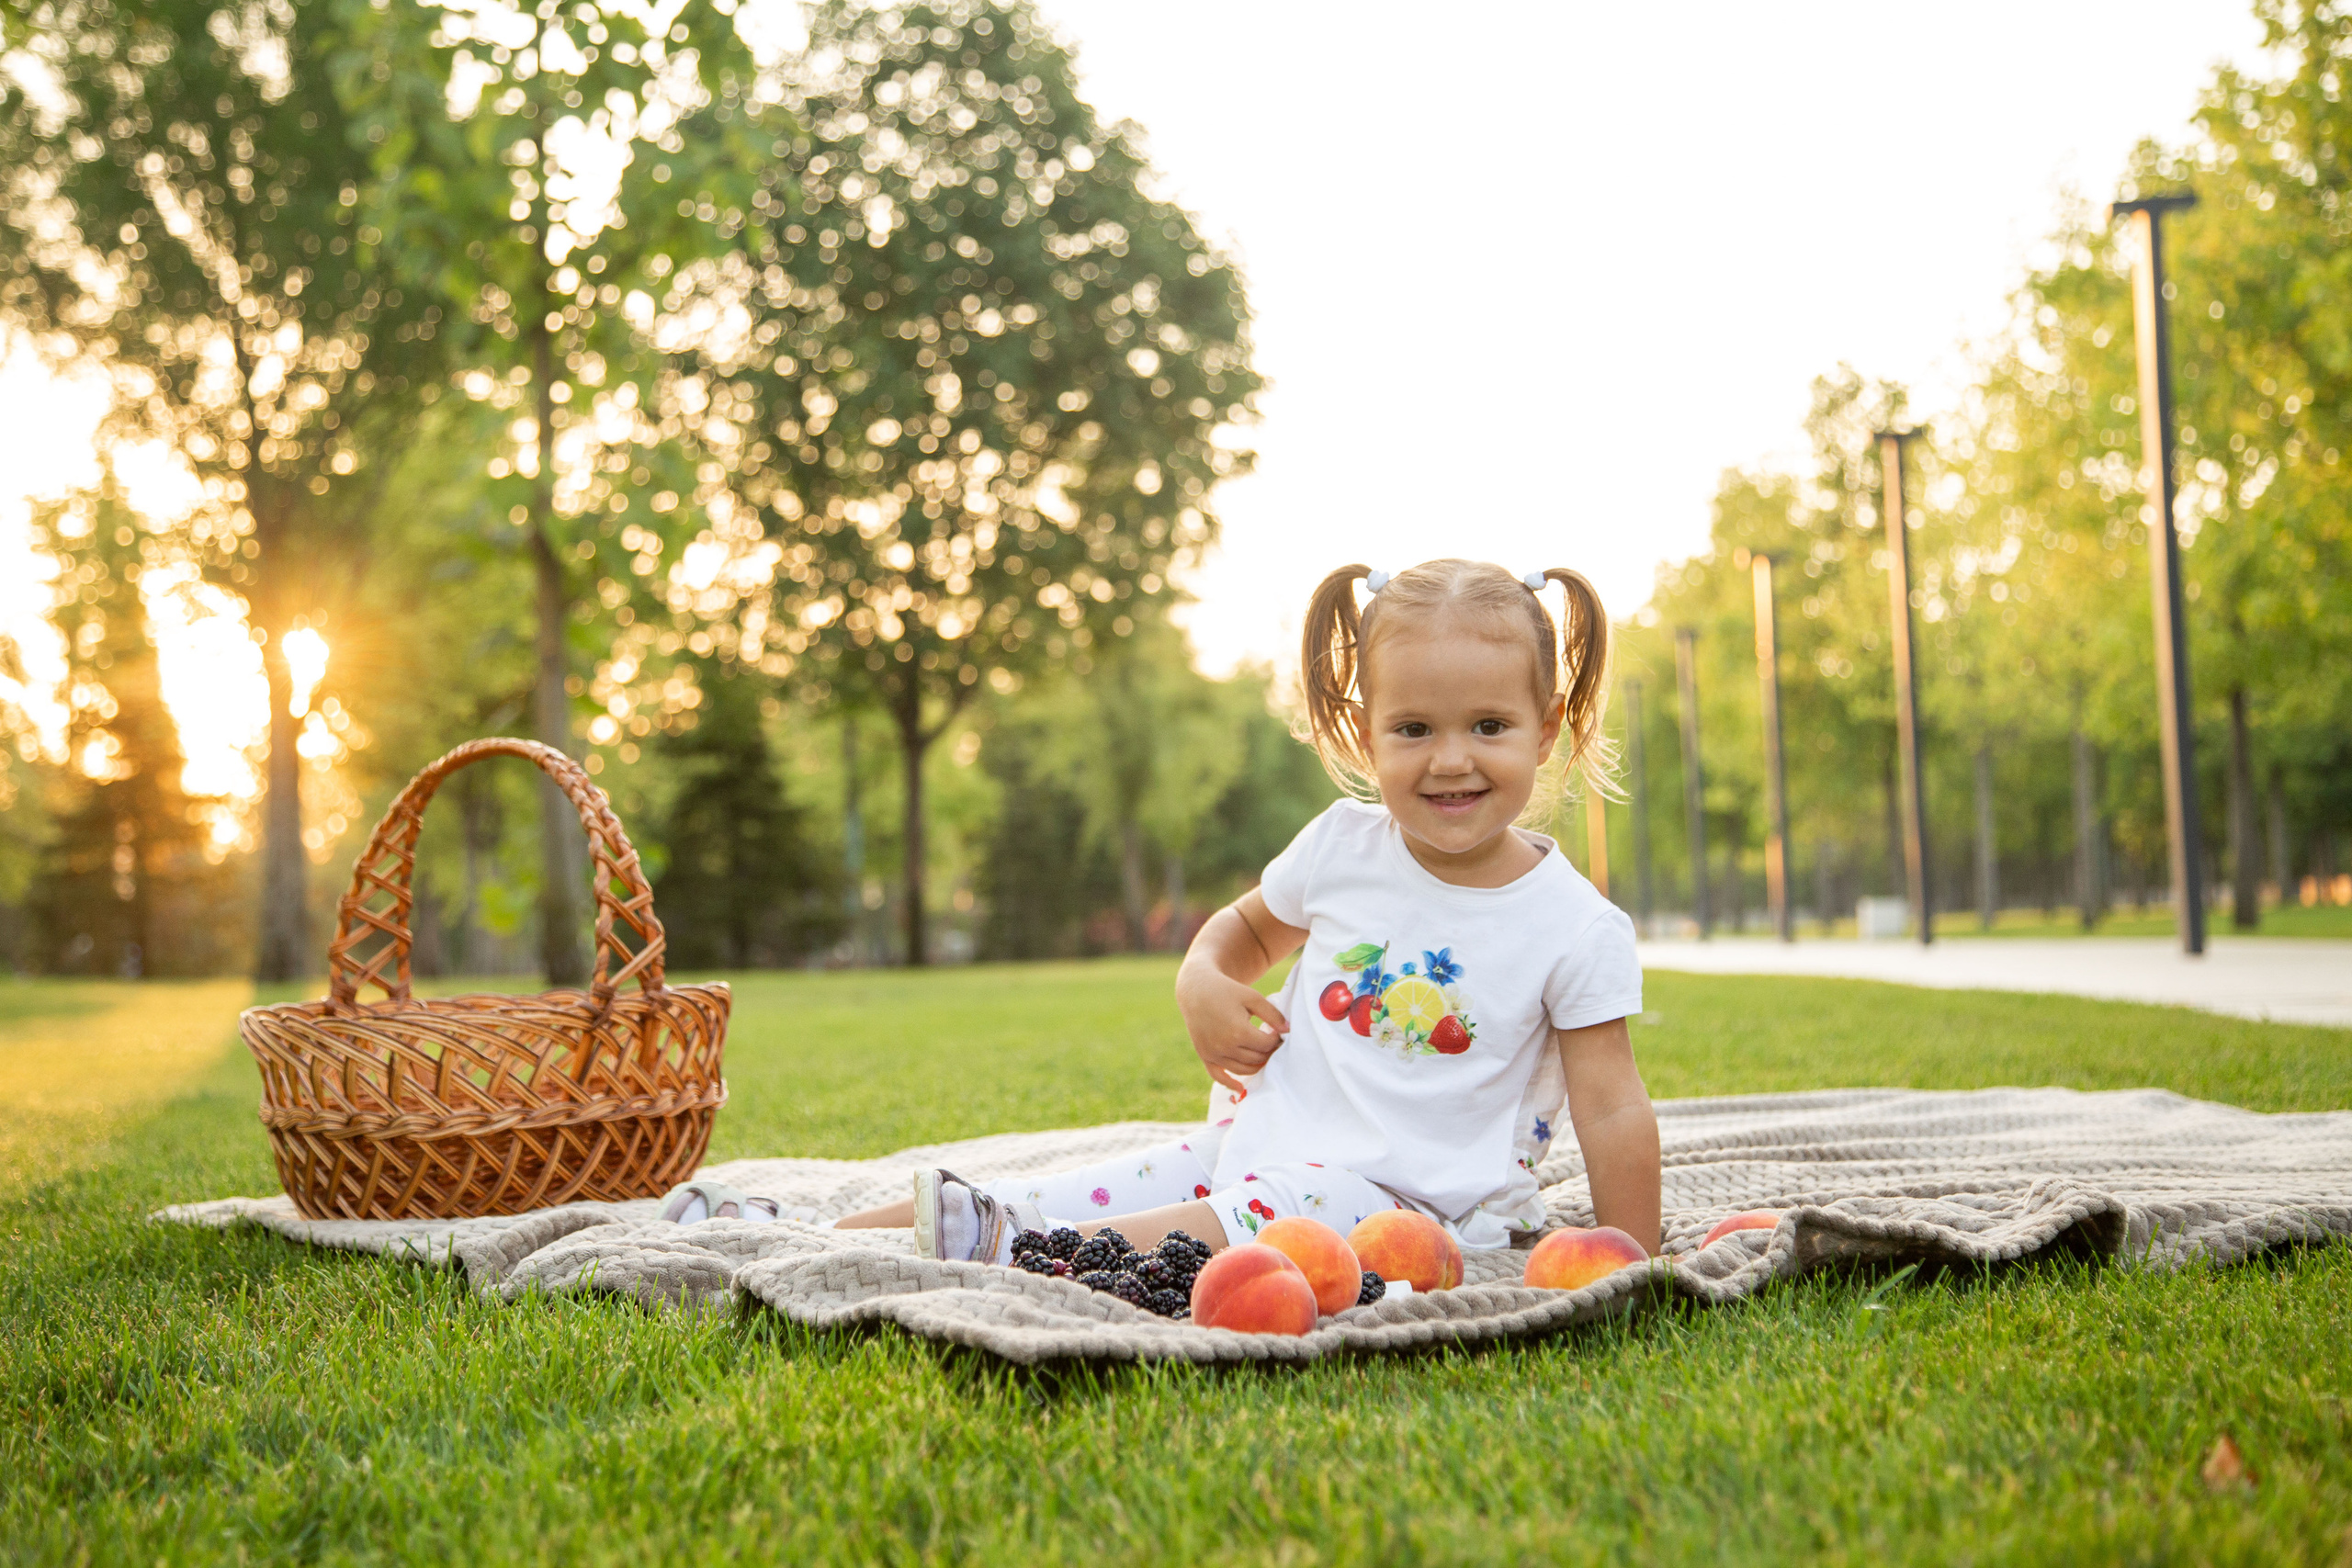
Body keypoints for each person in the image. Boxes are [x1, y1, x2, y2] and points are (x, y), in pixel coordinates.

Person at [694, 558, 1661, 1269]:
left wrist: (1637, 1255)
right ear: (1360, 735)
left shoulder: (1572, 929)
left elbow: (1610, 1106)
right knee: (1083, 1184)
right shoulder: (1340, 847)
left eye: (1487, 727)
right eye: (1412, 730)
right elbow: (1239, 935)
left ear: (1550, 727)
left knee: (1269, 1211)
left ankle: (1023, 1254)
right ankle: (794, 1239)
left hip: (1410, 1214)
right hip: (1264, 1142)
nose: (1449, 759)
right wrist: (1202, 977)